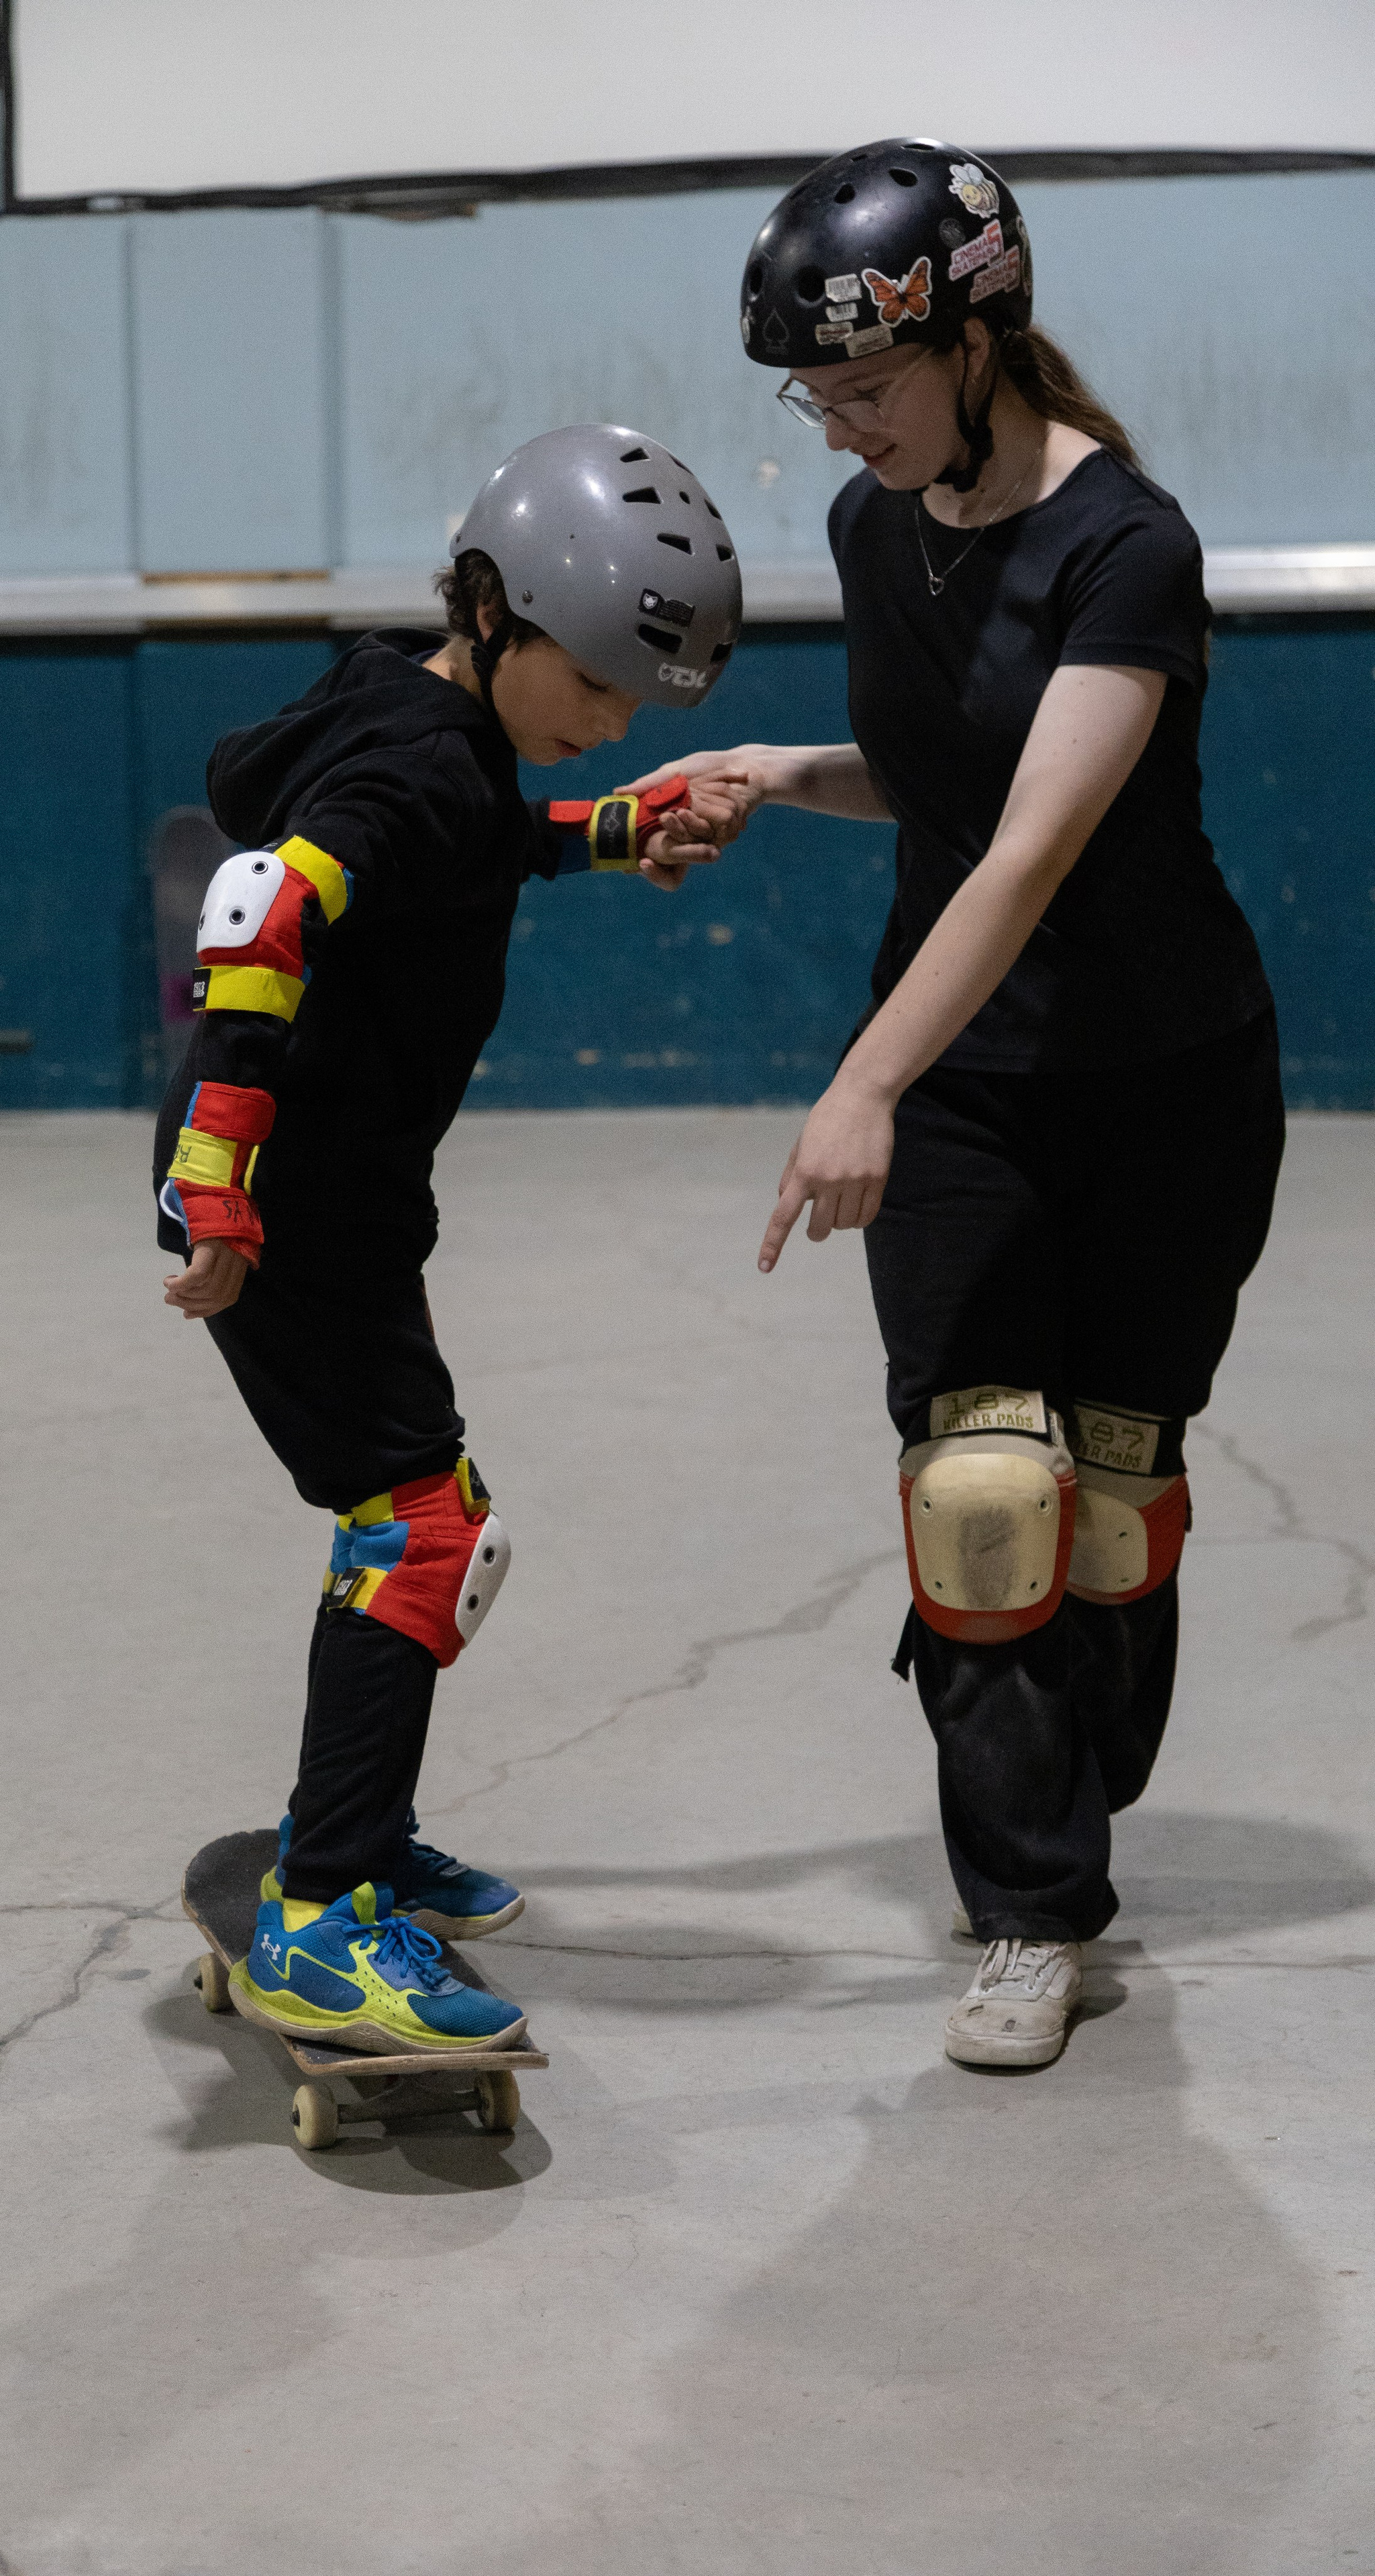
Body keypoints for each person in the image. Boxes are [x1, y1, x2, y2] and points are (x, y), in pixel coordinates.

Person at [630, 140, 1283, 2070]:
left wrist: (854, 1084)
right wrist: (769, 765)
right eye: (813, 396)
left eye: (866, 385)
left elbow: (1028, 850)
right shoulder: (870, 525)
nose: (837, 425)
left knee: (1107, 1499)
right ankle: (1031, 1914)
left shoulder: (1128, 547)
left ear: (980, 333)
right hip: (975, 1100)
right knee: (985, 1494)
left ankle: (1072, 1786)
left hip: (1168, 1086)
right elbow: (934, 782)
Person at [156, 423, 743, 2056]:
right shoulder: (419, 757)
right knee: (419, 1534)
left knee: (421, 1521)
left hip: (331, 1196)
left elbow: (452, 844)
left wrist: (605, 834)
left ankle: (352, 1832)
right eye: (600, 685)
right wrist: (217, 1179)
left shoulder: (413, 713)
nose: (610, 723)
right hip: (287, 1200)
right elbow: (261, 911)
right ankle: (322, 1911)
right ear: (490, 608)